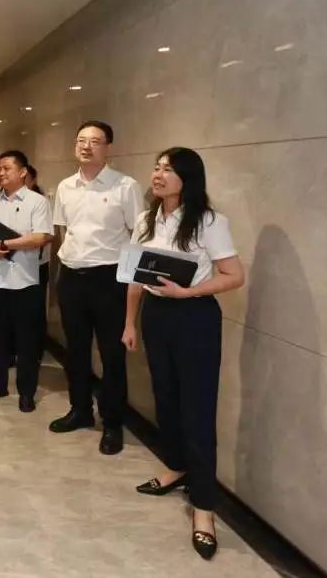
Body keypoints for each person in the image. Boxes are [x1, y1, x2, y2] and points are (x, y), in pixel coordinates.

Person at [122, 148, 243, 561]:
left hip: (195, 318)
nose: (158, 175)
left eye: (168, 170)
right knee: (166, 398)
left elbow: (234, 275)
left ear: (187, 178)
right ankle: (175, 467)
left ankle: (204, 507)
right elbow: (135, 276)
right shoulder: (146, 219)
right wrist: (129, 322)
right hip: (157, 317)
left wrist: (188, 291)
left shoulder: (209, 221)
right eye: (156, 167)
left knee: (197, 409)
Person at [49, 121, 144, 455]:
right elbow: (64, 232)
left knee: (111, 356)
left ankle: (113, 423)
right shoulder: (65, 187)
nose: (86, 146)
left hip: (109, 280)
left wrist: (129, 283)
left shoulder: (125, 187)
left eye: (94, 141)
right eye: (81, 140)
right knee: (75, 350)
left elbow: (138, 238)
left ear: (108, 147)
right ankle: (80, 410)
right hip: (72, 278)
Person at [0, 150, 52, 412]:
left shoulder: (37, 202)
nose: (1, 172)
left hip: (25, 281)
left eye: (7, 168)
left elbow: (41, 237)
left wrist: (6, 244)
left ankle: (26, 392)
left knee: (27, 340)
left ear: (23, 172)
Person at [27, 165, 50, 361]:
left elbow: (48, 235)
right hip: (14, 263)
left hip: (37, 264)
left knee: (35, 308)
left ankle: (36, 349)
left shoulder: (41, 202)